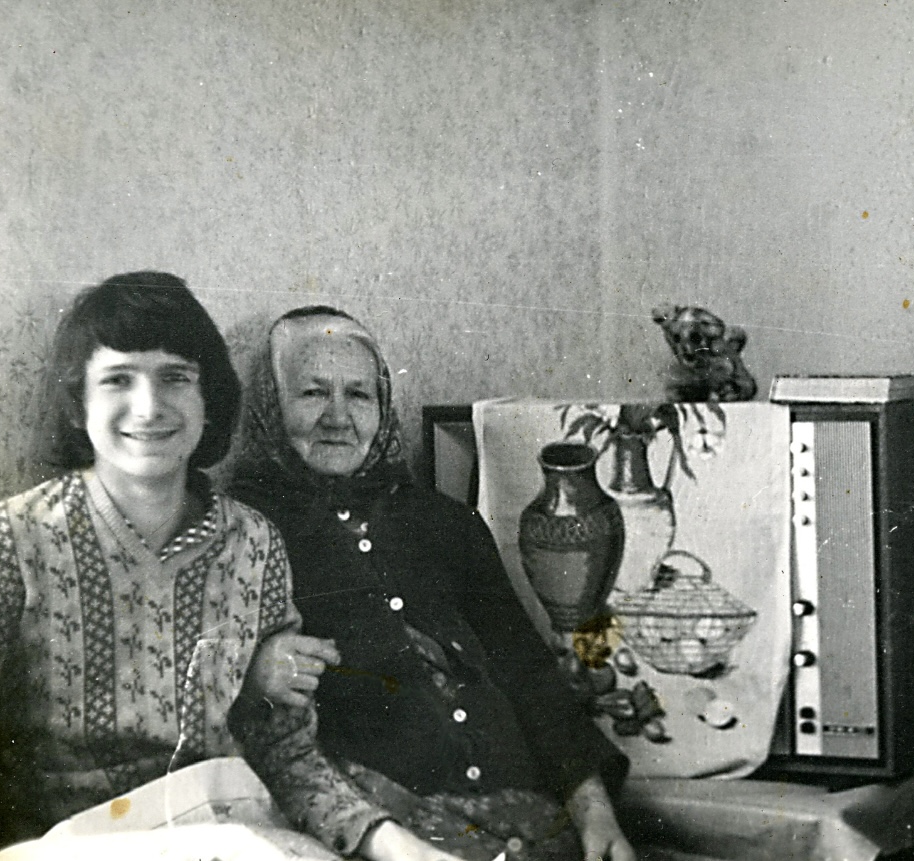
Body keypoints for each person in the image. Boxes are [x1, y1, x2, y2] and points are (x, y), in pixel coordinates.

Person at [0, 274, 465, 861]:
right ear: (78, 404)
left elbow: (288, 756)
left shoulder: (252, 543)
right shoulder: (11, 539)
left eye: (175, 378)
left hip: (227, 830)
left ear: (209, 402)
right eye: (118, 379)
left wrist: (394, 844)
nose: (149, 407)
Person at [229, 306, 637, 861]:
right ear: (269, 406)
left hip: (533, 823)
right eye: (312, 393)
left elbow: (528, 672)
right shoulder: (242, 534)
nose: (338, 416)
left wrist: (596, 814)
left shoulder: (446, 522)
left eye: (359, 394)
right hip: (384, 838)